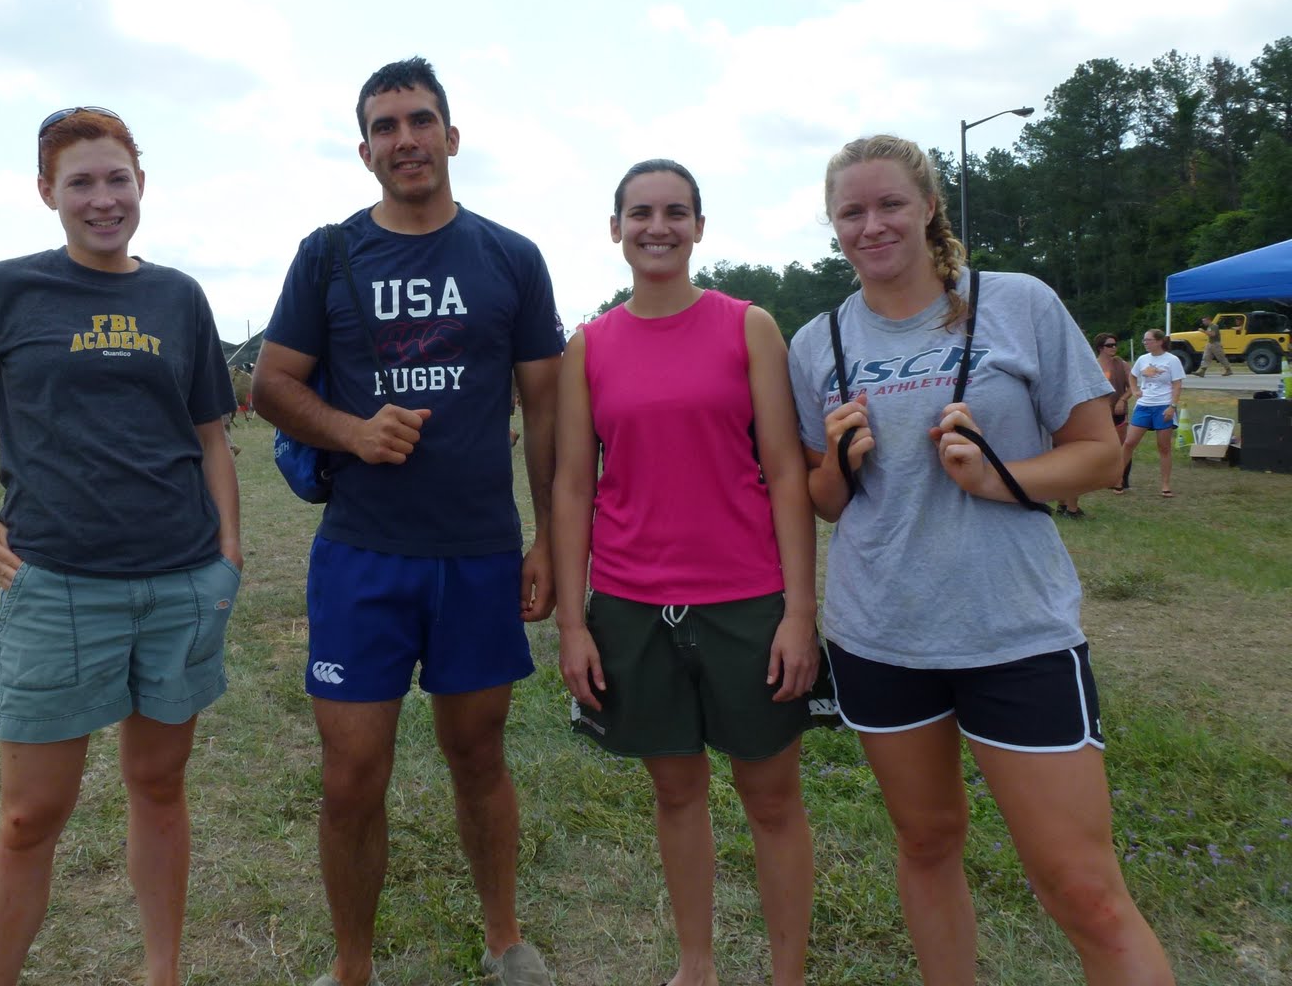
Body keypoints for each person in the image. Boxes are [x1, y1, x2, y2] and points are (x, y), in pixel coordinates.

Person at [787, 136, 1173, 985]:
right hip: (880, 634)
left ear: (929, 206)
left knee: (1084, 889)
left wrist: (1000, 476)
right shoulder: (817, 342)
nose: (872, 224)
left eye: (889, 203)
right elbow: (823, 501)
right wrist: (840, 465)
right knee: (926, 845)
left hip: (1014, 632)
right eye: (851, 212)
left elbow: (1101, 456)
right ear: (834, 227)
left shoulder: (1017, 303)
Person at [0, 107, 242, 986]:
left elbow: (210, 432)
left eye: (116, 178)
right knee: (29, 816)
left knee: (159, 787)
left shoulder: (178, 297)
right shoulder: (6, 289)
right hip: (56, 587)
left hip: (178, 584)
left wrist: (228, 555)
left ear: (141, 185)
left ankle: (161, 972)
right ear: (46, 191)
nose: (102, 198)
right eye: (80, 182)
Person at [252, 57, 564, 986]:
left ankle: (505, 939)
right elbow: (270, 383)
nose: (406, 140)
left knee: (478, 754)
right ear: (364, 151)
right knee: (351, 775)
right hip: (363, 555)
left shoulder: (510, 257)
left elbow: (545, 408)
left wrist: (548, 536)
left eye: (421, 120)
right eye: (386, 127)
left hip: (475, 552)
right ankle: (354, 966)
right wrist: (351, 429)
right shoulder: (330, 253)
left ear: (452, 136)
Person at [553, 160, 817, 986]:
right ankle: (694, 966)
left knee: (771, 798)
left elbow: (783, 469)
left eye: (675, 212)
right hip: (633, 605)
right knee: (676, 793)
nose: (656, 227)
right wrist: (573, 622)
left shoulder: (749, 327)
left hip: (747, 600)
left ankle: (787, 974)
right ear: (615, 229)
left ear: (700, 227)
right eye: (639, 213)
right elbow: (571, 486)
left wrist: (799, 613)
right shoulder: (589, 345)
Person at [1058, 331, 1132, 514]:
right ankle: (1069, 507)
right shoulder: (1089, 365)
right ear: (1100, 348)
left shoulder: (1121, 364)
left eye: (1115, 344)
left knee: (1115, 448)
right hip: (1090, 415)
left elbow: (1132, 386)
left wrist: (1122, 400)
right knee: (1078, 461)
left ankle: (1117, 480)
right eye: (1109, 345)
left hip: (1112, 413)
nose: (1113, 348)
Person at [1120, 329, 1185, 499]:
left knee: (1163, 447)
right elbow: (1132, 377)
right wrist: (1134, 390)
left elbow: (1177, 385)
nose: (1145, 343)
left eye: (1148, 340)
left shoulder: (1172, 360)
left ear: (1159, 341)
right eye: (1144, 340)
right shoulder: (1142, 359)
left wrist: (1172, 406)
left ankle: (1165, 484)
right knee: (1129, 443)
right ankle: (1118, 479)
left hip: (1163, 405)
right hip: (1144, 405)